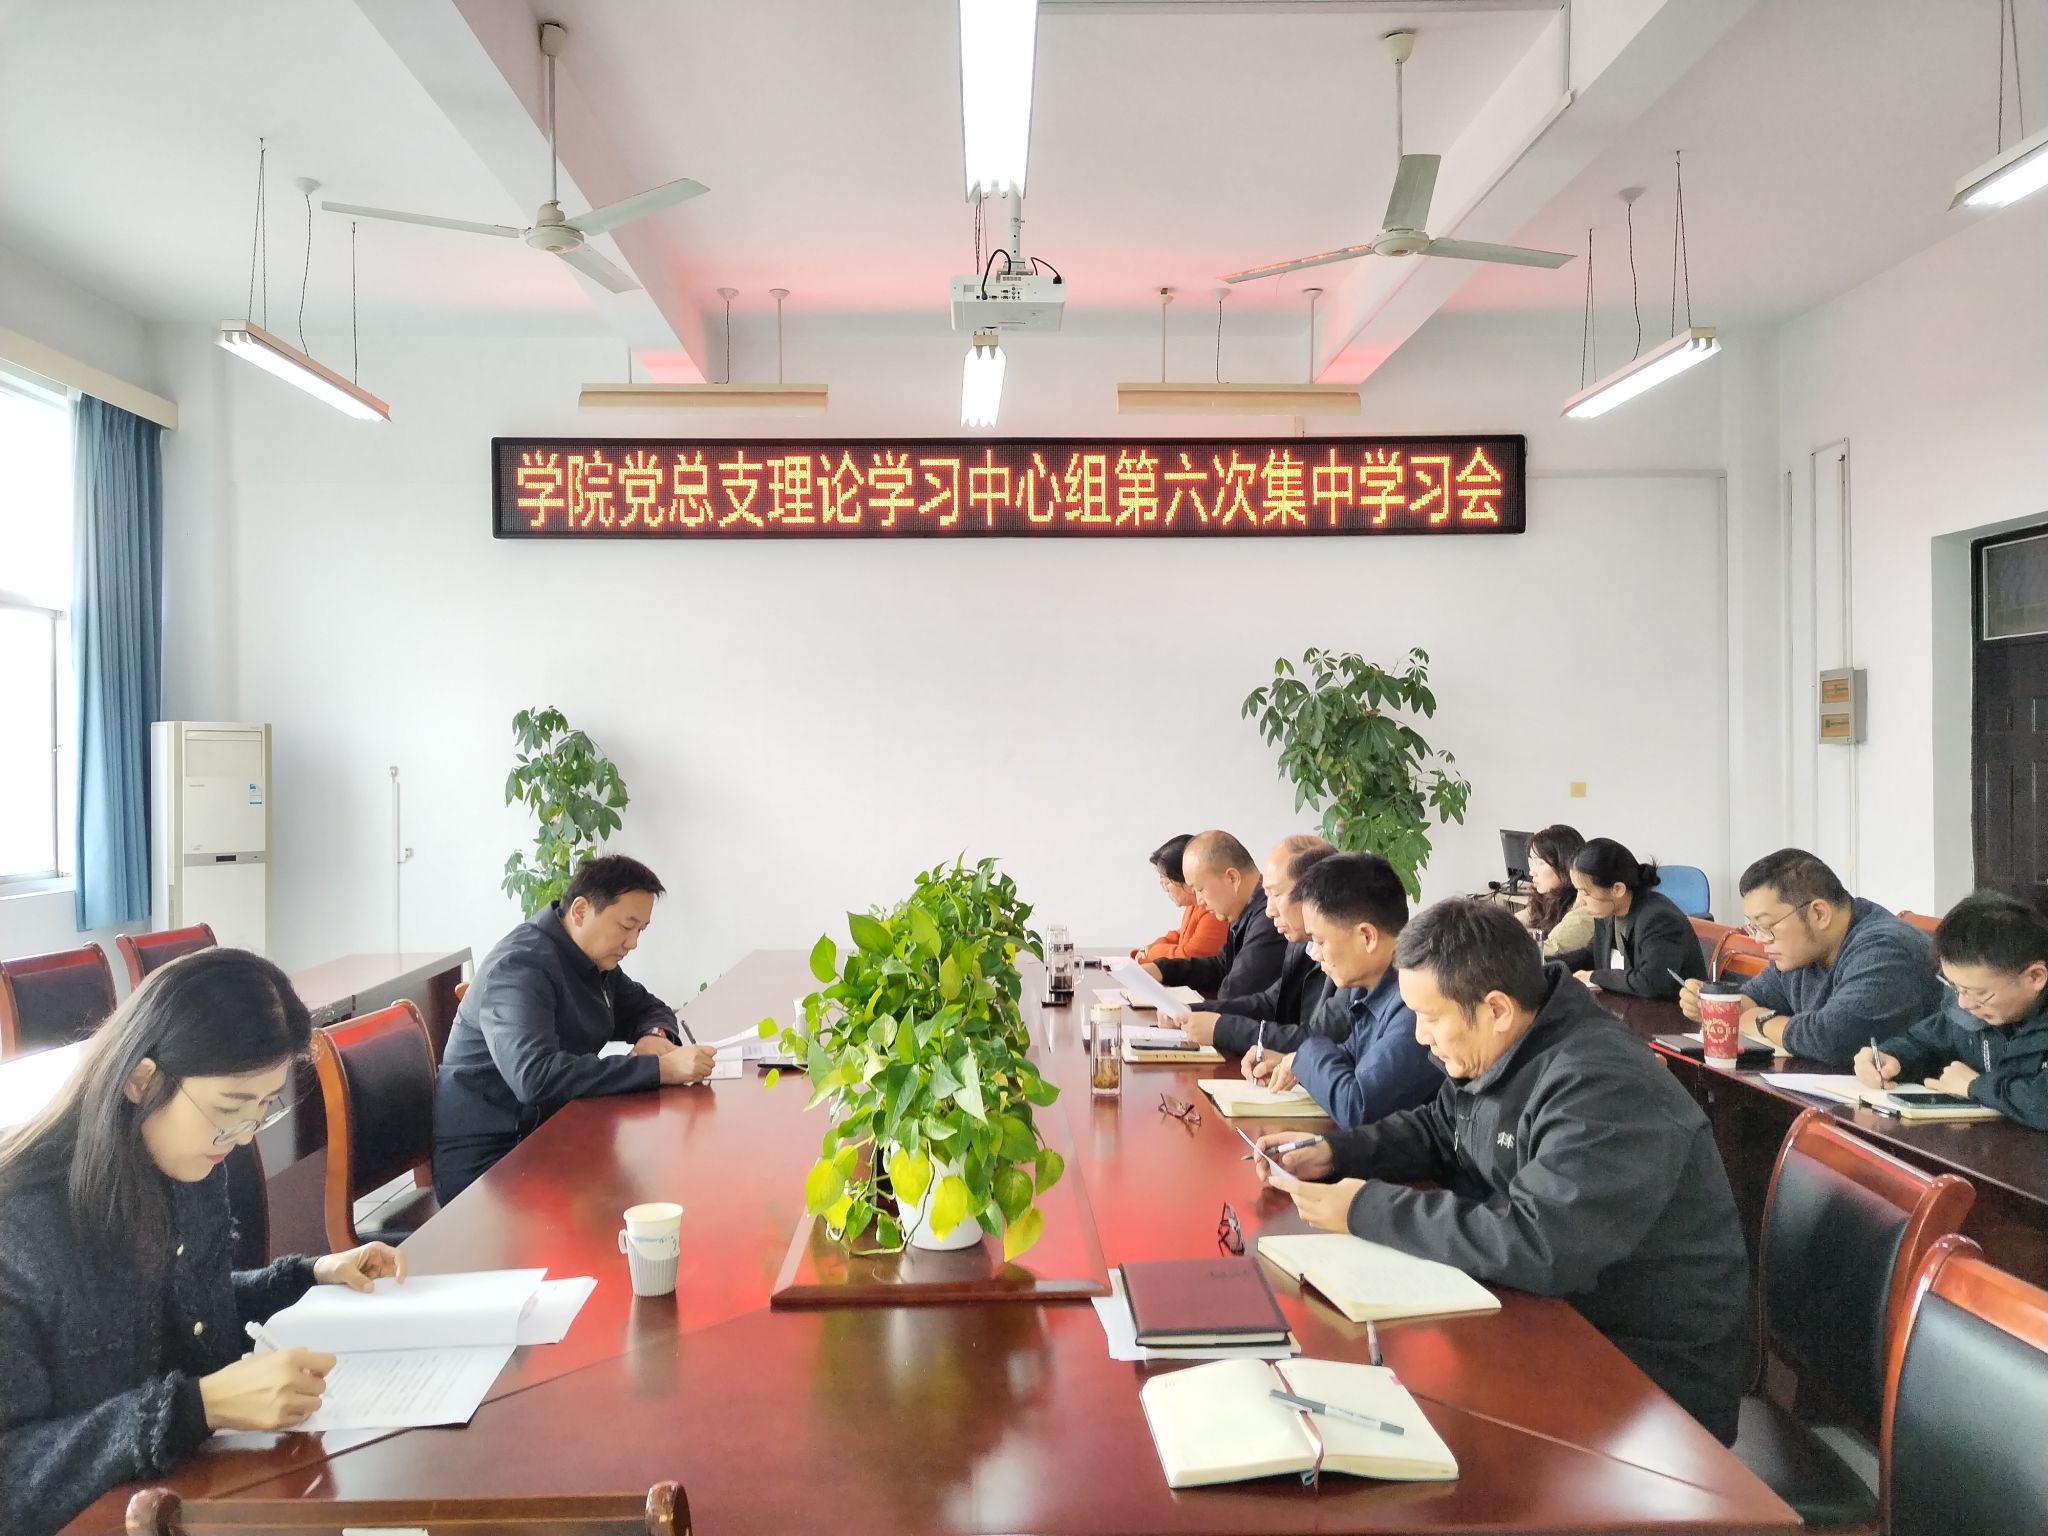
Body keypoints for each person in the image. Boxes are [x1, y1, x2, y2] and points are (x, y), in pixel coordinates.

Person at [1257, 898, 1748, 1444]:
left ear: (1496, 1009)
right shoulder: (1505, 1044)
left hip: (1647, 1383)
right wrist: (1336, 1153)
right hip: (1549, 1319)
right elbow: (1441, 1128)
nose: (1419, 1036)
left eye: (1430, 1018)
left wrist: (1364, 1209)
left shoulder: (1603, 1084)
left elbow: (1540, 1242)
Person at [0, 949, 408, 1536]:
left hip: (192, 1496)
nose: (241, 1138)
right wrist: (198, 1407)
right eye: (228, 1109)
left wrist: (308, 1276)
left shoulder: (185, 1163)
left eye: (262, 1108)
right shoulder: (21, 1221)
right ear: (142, 1080)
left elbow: (186, 1307)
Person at [434, 854, 715, 1202]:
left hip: (553, 1133)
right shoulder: (519, 968)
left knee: (667, 1181)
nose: (632, 943)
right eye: (626, 927)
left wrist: (654, 1037)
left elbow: (648, 1008)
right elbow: (535, 1077)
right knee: (644, 1199)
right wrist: (659, 1069)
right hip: (492, 1166)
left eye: (640, 930)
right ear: (581, 911)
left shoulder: (591, 959)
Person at [1680, 848, 1939, 1064]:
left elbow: (1831, 1038)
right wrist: (1712, 1005)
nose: (1759, 939)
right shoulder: (1801, 953)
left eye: (1766, 925)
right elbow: (1747, 1002)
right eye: (1753, 927)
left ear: (1818, 914)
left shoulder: (1885, 949)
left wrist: (1761, 1022)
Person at [1252, 852, 1442, 1129]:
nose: (1316, 954)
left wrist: (1304, 1053)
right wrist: (1294, 1062)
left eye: (1320, 941)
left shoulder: (1416, 1003)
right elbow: (1349, 1057)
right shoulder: (1366, 988)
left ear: (1367, 936)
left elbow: (1358, 1107)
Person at [1859, 892, 2048, 1129]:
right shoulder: (1972, 1010)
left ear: (2035, 977)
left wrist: (1974, 1086)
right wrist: (1892, 1058)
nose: (1964, 1003)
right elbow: (1924, 1043)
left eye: (1979, 993)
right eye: (1956, 987)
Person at [1180, 836, 1337, 1054]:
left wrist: (1222, 1029)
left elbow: (1318, 1039)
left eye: (1276, 894)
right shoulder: (1300, 944)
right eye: (1267, 895)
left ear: (1314, 894)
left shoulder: (1351, 960)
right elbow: (1270, 1002)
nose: (1269, 911)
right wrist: (1194, 1011)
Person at [1550, 837, 1705, 999]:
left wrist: (1594, 976)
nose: (1579, 902)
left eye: (1585, 892)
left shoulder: (1659, 919)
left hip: (1669, 1011)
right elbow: (1591, 954)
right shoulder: (1607, 911)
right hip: (1627, 1006)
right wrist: (1545, 965)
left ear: (1617, 889)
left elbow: (1652, 982)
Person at [1141, 830, 1287, 1001]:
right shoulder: (1244, 909)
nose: (1199, 900)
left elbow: (1234, 993)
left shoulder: (1269, 919)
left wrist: (1189, 1011)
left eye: (1200, 889)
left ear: (1232, 878)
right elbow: (1221, 966)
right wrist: (1162, 970)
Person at [1132, 834, 1229, 964]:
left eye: (1166, 882)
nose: (1165, 890)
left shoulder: (1213, 908)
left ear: (1186, 877)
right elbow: (1182, 935)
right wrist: (1151, 948)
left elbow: (1190, 956)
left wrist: (1152, 953)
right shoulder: (1193, 906)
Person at [1519, 824, 1595, 959]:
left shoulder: (1584, 909)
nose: (1531, 872)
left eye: (1540, 863)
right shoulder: (1546, 899)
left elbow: (1548, 951)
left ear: (1564, 865)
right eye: (1532, 862)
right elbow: (1510, 924)